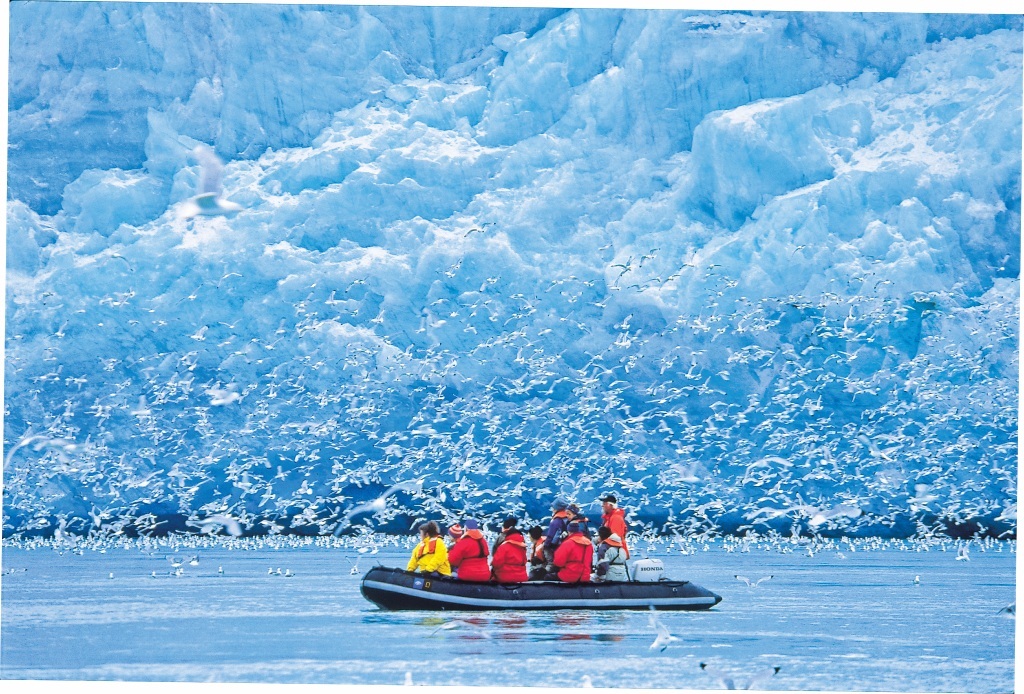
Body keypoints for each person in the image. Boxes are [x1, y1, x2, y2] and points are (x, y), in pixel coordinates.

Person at [491, 517, 529, 583]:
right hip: (521, 576)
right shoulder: (522, 544)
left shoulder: (502, 540)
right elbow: (524, 561)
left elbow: (496, 560)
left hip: (504, 575)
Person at [543, 498, 572, 574]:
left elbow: (551, 535)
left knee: (552, 563)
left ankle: (549, 573)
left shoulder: (556, 521)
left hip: (556, 546)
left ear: (557, 508)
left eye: (553, 507)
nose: (552, 509)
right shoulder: (568, 518)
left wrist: (546, 545)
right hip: (567, 545)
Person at [600, 494, 630, 559]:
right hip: (613, 552)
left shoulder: (616, 518)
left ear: (611, 505)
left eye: (605, 504)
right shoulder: (609, 518)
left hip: (615, 555)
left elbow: (615, 537)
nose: (602, 505)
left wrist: (602, 544)